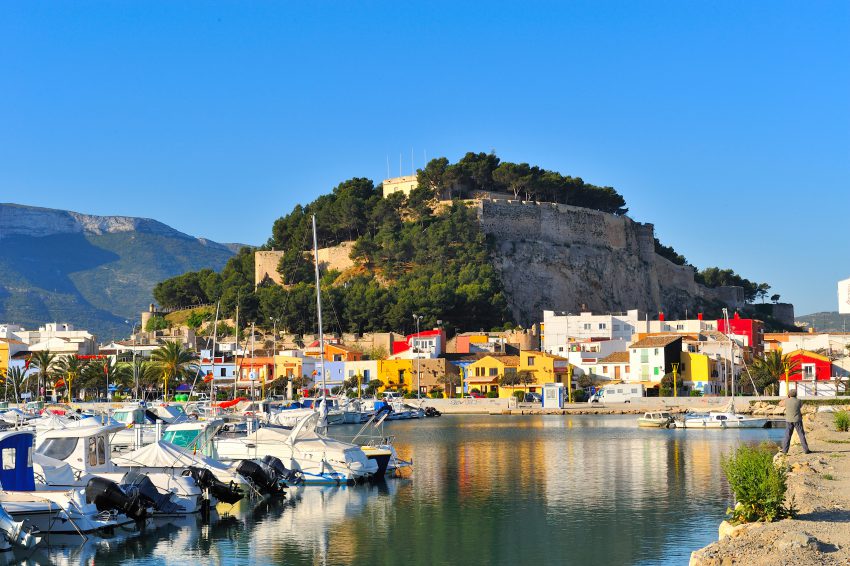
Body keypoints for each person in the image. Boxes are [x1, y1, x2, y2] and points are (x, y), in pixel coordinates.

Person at [780, 388, 810, 454]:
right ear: (796, 394)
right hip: (797, 420)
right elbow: (801, 406)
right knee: (801, 434)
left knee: (787, 435)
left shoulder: (786, 401)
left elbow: (780, 404)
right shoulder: (799, 401)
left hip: (789, 420)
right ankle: (806, 449)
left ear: (789, 394)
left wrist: (786, 397)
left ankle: (785, 450)